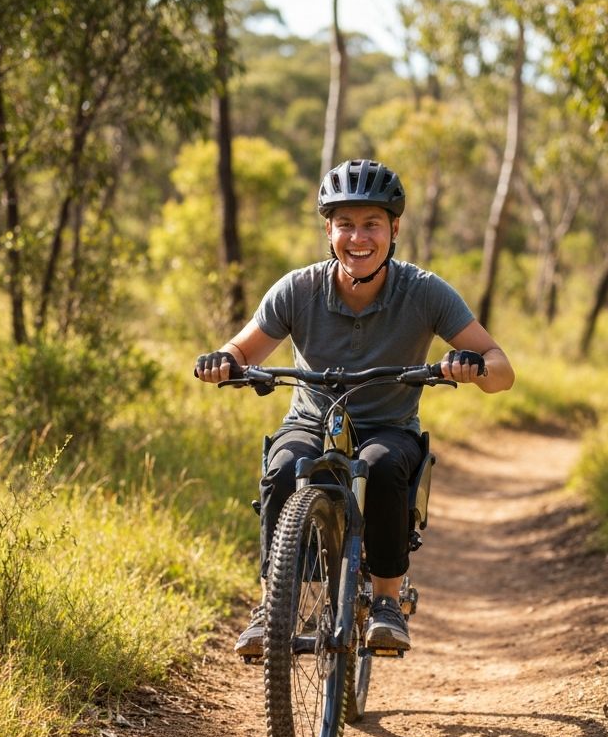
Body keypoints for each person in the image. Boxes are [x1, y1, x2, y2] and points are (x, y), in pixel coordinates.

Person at [194, 158, 514, 657]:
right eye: (345, 224)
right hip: (310, 420)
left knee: (382, 468)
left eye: (371, 224)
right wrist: (224, 363)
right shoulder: (298, 289)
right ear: (329, 229)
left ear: (394, 229)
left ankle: (386, 602)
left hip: (389, 424)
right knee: (284, 469)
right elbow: (243, 351)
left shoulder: (424, 292)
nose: (358, 237)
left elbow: (502, 369)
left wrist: (469, 366)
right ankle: (272, 607)